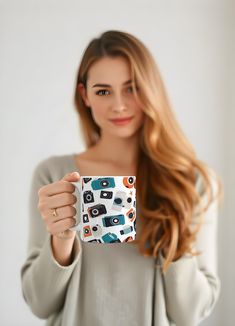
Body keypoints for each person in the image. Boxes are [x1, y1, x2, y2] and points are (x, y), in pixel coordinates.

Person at [20, 30, 224, 326]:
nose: (119, 105)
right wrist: (61, 239)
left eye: (132, 88)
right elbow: (39, 303)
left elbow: (190, 314)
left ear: (151, 90)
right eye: (103, 91)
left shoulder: (190, 182)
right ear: (84, 95)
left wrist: (175, 242)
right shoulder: (55, 176)